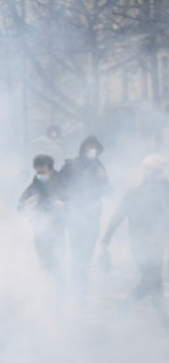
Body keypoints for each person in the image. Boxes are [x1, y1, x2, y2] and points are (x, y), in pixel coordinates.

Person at [100, 156, 169, 323]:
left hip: (155, 243)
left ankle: (162, 318)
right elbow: (118, 216)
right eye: (148, 169)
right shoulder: (134, 193)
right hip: (139, 243)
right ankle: (161, 318)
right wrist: (107, 237)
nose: (151, 173)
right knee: (152, 280)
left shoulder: (164, 190)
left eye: (154, 170)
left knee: (153, 280)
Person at [58, 136, 111, 297]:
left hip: (92, 219)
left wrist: (104, 179)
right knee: (77, 255)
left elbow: (108, 192)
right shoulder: (71, 165)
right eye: (89, 147)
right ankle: (78, 290)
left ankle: (79, 286)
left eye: (95, 148)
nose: (92, 150)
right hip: (75, 218)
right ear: (83, 148)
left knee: (86, 256)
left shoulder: (99, 167)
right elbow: (58, 184)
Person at [18, 155, 65, 281]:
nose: (40, 171)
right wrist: (29, 202)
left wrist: (62, 204)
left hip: (58, 228)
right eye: (37, 168)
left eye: (42, 168)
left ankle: (60, 289)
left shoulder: (60, 182)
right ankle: (46, 285)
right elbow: (19, 206)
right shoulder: (34, 186)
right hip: (40, 228)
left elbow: (75, 202)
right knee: (44, 261)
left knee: (58, 260)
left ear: (49, 167)